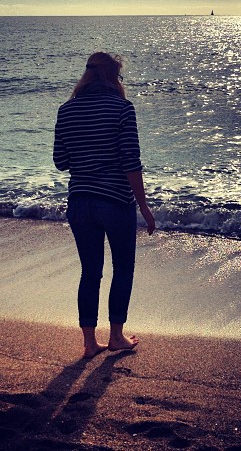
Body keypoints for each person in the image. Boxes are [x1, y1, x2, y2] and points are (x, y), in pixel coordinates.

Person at [53, 52, 155, 359]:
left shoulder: (66, 110)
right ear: (114, 77)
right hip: (114, 202)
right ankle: (116, 337)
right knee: (123, 268)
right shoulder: (123, 109)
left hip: (80, 202)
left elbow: (61, 162)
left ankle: (88, 343)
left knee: (90, 272)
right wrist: (145, 207)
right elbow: (131, 162)